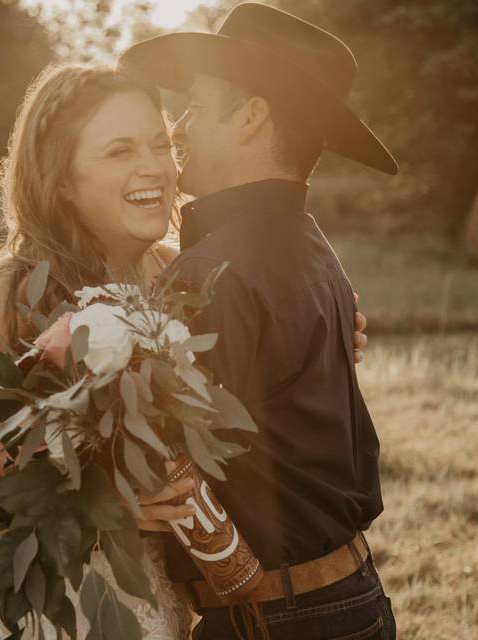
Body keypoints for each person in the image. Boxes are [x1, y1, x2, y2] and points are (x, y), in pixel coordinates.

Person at [0, 60, 374, 639]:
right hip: (15, 592)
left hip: (138, 596)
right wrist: (97, 506)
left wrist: (325, 337)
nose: (153, 164)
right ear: (61, 179)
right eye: (120, 150)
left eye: (158, 143)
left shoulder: (180, 277)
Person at [120, 3, 396, 639]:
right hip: (346, 596)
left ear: (250, 116)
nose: (179, 123)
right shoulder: (308, 241)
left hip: (277, 616)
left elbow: (164, 462)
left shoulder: (214, 276)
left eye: (197, 104)